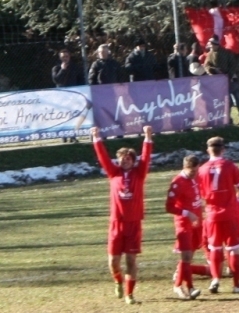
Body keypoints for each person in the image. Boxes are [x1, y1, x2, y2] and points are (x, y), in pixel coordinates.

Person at [90, 125, 153, 305]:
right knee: (113, 261)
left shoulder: (139, 174)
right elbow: (102, 158)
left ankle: (129, 294)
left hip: (133, 224)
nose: (124, 162)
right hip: (116, 224)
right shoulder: (113, 173)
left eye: (127, 159)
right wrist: (96, 138)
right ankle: (118, 280)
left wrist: (148, 137)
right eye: (121, 159)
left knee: (131, 260)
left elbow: (146, 158)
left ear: (133, 161)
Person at [197, 136, 239, 294]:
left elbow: (200, 193)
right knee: (233, 249)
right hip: (229, 213)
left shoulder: (202, 169)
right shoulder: (230, 166)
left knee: (215, 248)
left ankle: (215, 280)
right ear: (223, 149)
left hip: (212, 214)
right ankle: (236, 285)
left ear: (208, 150)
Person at [165, 155, 205, 300]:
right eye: (191, 172)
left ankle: (177, 285)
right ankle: (190, 288)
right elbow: (169, 207)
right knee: (186, 256)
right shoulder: (177, 183)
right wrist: (187, 213)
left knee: (188, 257)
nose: (194, 174)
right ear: (184, 167)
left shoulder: (196, 177)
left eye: (196, 171)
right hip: (183, 223)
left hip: (196, 222)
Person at [204, 37, 239, 125]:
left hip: (231, 80)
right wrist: (214, 70)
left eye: (212, 44)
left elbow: (233, 66)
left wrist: (227, 76)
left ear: (216, 44)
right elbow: (206, 66)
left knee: (237, 100)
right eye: (210, 45)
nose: (210, 46)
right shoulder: (209, 55)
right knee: (227, 101)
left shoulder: (227, 53)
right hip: (220, 82)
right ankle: (228, 119)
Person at [52, 48, 85, 143]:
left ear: (69, 57)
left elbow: (80, 80)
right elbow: (56, 80)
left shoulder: (75, 67)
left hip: (74, 96)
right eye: (63, 57)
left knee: (74, 117)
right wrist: (62, 70)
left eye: (66, 57)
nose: (65, 59)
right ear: (60, 58)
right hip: (62, 97)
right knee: (64, 117)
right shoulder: (56, 68)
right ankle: (64, 136)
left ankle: (73, 136)